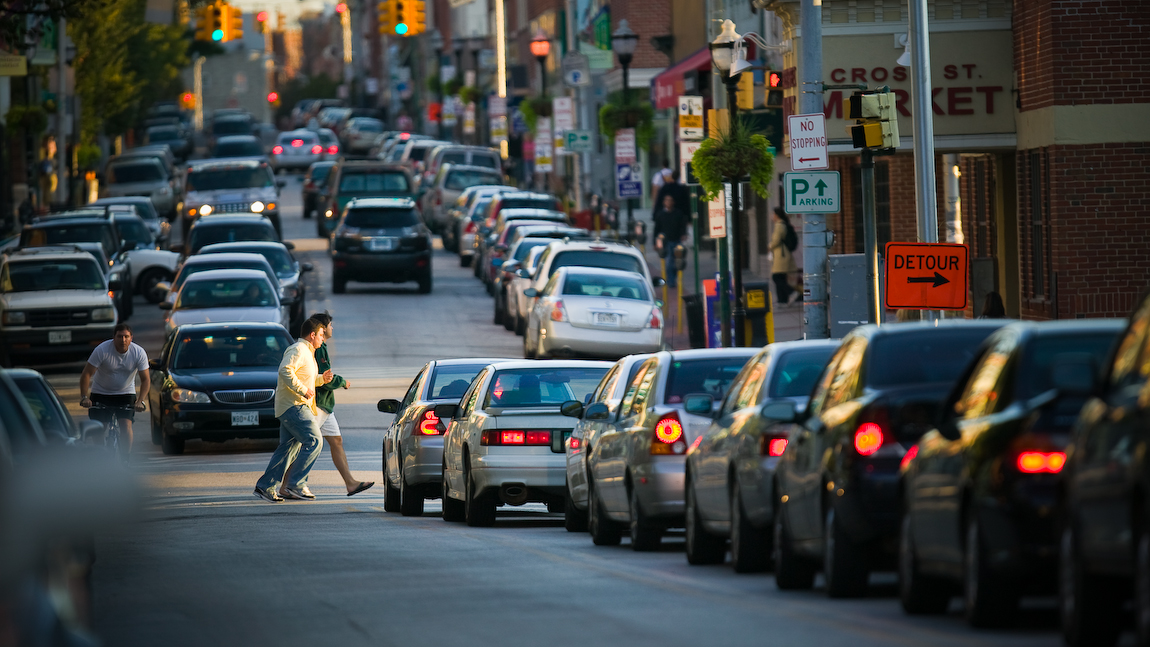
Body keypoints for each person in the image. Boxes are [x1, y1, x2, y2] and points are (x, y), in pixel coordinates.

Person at [286, 313, 374, 498]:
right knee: (307, 445)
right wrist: (343, 382)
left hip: (326, 406)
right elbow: (325, 380)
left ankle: (350, 483)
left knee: (336, 441)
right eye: (330, 325)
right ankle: (288, 485)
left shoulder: (322, 347)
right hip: (316, 404)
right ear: (322, 329)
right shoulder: (317, 349)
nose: (332, 328)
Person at [254, 317, 333, 503]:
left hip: (295, 405)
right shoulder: (298, 349)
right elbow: (285, 370)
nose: (323, 338)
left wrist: (322, 379)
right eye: (321, 335)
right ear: (312, 335)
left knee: (287, 449)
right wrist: (303, 390)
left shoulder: (307, 352)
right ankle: (295, 484)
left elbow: (305, 378)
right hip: (293, 405)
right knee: (314, 441)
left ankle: (266, 487)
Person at [80, 323, 150, 459]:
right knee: (100, 428)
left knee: (126, 425)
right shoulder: (102, 350)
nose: (123, 340)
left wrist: (140, 401)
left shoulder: (138, 352)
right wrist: (84, 397)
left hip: (125, 394)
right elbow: (86, 374)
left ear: (131, 338)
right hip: (101, 393)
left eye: (126, 337)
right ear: (114, 337)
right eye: (119, 336)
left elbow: (146, 379)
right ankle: (101, 457)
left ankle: (126, 459)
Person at [653, 193, 690, 287]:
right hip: (666, 242)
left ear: (673, 202)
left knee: (678, 262)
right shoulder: (660, 215)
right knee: (669, 262)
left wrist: (683, 234)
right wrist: (655, 243)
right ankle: (671, 281)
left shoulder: (678, 213)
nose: (668, 202)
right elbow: (657, 229)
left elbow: (682, 225)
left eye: (670, 200)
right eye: (667, 200)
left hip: (677, 240)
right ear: (664, 202)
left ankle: (673, 277)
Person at [770, 208, 799, 305]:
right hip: (783, 254)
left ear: (776, 215)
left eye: (773, 214)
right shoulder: (783, 224)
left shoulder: (779, 225)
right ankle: (782, 300)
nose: (772, 216)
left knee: (776, 277)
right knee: (781, 277)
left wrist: (769, 246)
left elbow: (776, 240)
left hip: (781, 255)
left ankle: (791, 292)